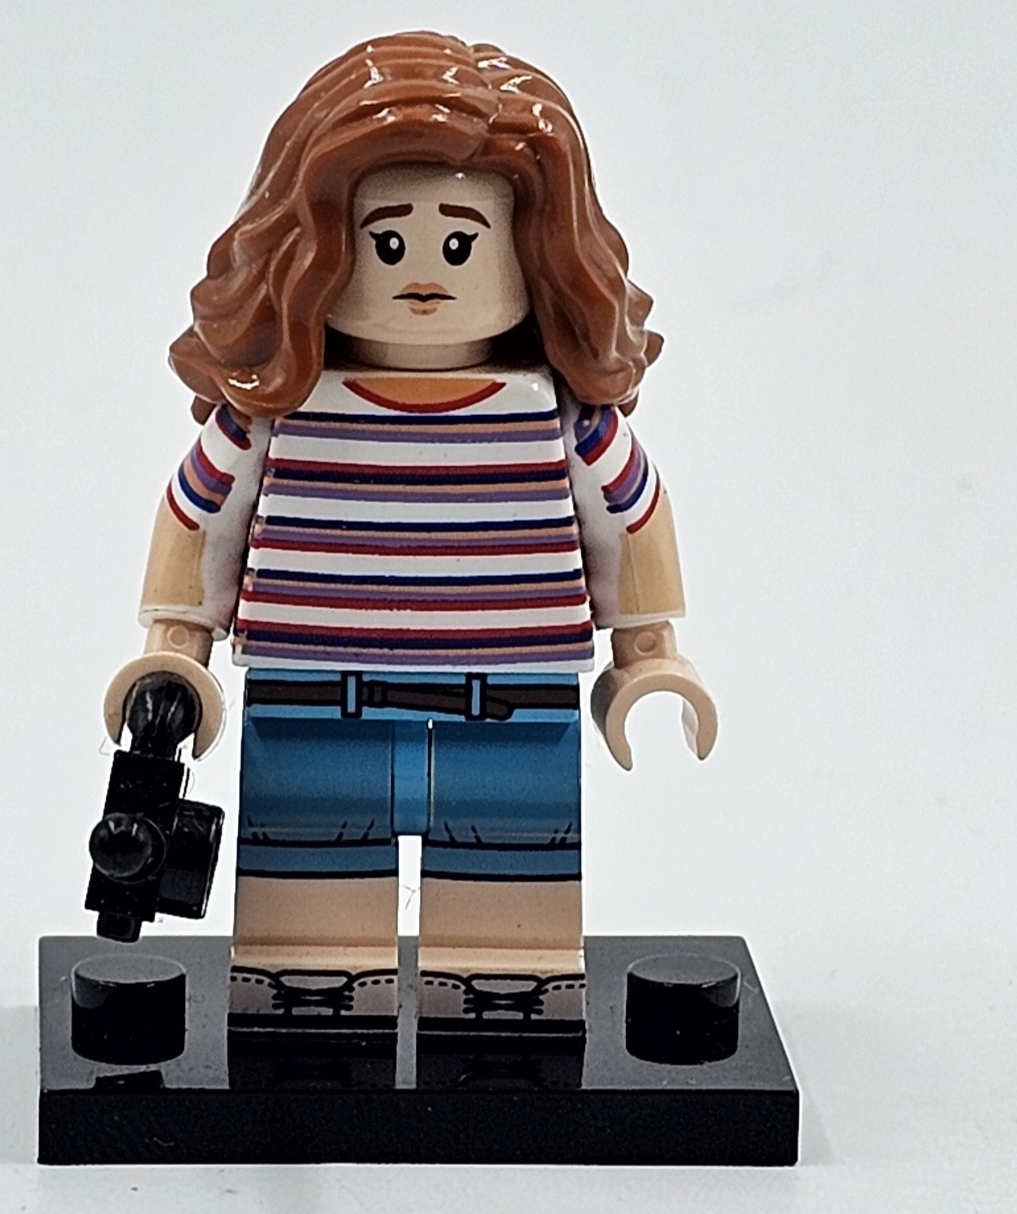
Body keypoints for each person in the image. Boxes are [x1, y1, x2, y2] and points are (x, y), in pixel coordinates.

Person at [104, 32, 716, 1034]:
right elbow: (198, 518)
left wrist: (647, 655)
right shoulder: (272, 419)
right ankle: (305, 996)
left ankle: (507, 991)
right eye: (387, 243)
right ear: (316, 247)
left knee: (510, 890)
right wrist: (174, 653)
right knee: (308, 891)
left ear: (536, 251)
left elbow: (631, 516)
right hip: (312, 699)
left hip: (512, 707)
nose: (424, 273)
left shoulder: (562, 421)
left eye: (461, 244)